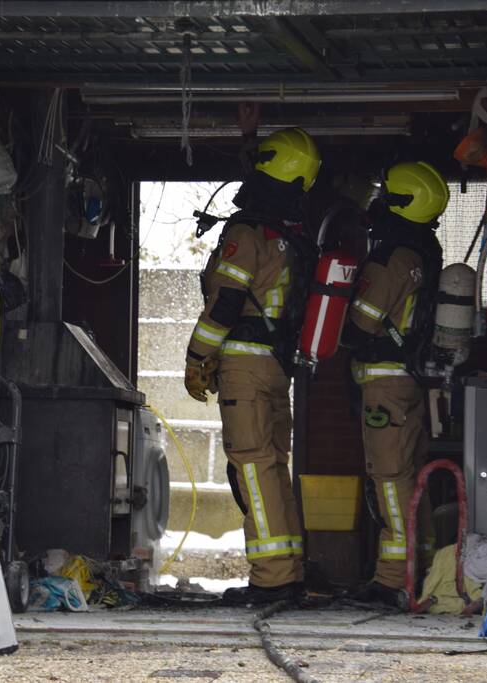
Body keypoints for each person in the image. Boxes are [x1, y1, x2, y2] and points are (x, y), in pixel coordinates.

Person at [183, 127, 320, 605]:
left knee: (253, 471)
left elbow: (225, 304)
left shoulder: (248, 233)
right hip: (276, 369)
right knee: (272, 468)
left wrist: (196, 357)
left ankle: (272, 579)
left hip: (243, 366)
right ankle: (287, 569)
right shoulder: (292, 236)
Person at [342, 161, 448, 608]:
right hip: (408, 382)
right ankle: (418, 568)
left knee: (389, 478)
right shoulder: (424, 252)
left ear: (402, 203)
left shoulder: (392, 258)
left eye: (387, 195)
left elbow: (361, 322)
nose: (379, 202)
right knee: (409, 477)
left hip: (384, 384)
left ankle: (393, 581)